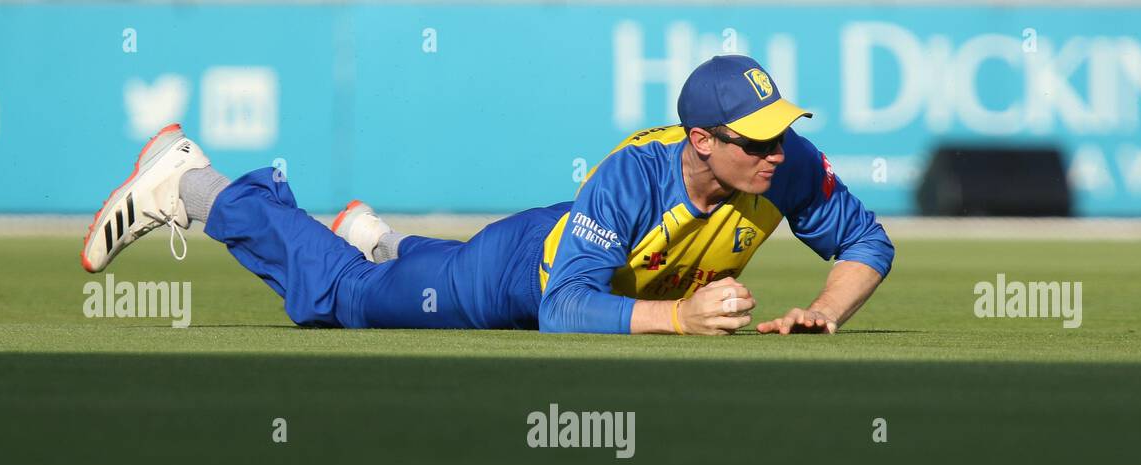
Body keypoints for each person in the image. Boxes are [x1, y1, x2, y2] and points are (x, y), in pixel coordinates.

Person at [81, 55, 893, 336]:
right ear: (702, 142)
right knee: (343, 299)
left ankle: (380, 238)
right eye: (756, 138)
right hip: (516, 276)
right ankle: (191, 181)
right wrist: (681, 318)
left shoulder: (783, 165)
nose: (777, 151)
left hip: (566, 250)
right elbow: (564, 310)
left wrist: (825, 309)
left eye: (781, 130)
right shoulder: (633, 178)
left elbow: (867, 244)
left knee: (394, 268)